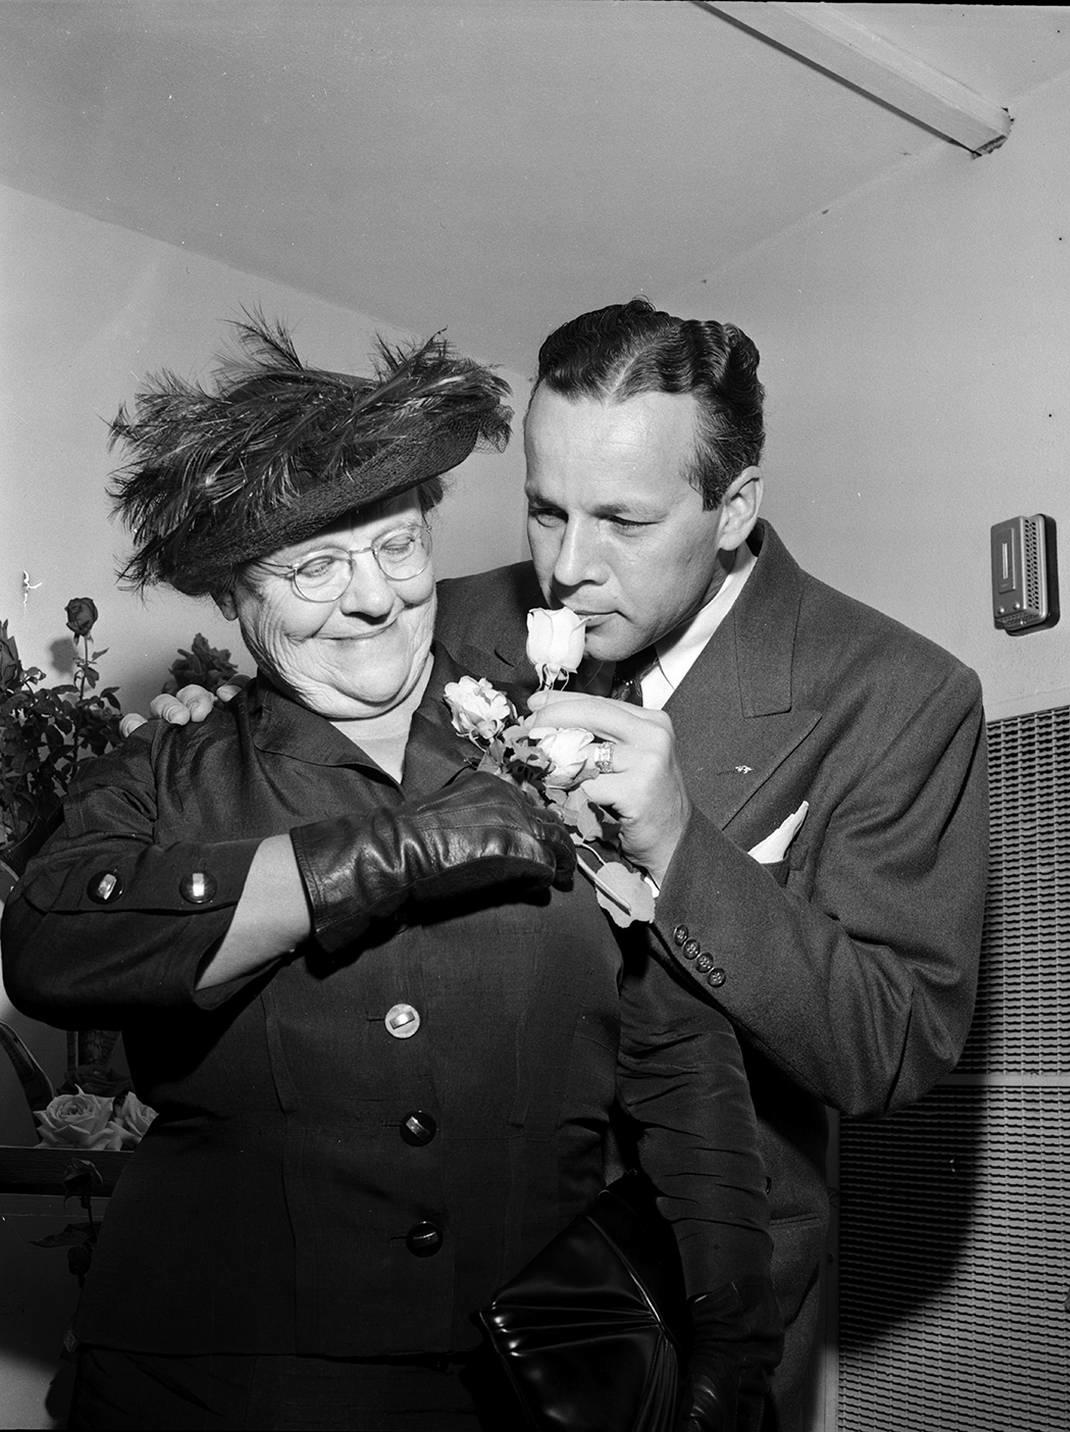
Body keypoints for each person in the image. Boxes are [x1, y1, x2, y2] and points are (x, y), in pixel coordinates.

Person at [134, 298, 990, 1431]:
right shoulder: (442, 619)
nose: (569, 568)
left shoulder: (900, 694)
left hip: (675, 1321)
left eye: (623, 522)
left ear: (733, 509)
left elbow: (891, 1044)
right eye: (544, 510)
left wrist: (682, 844)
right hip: (419, 1311)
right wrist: (221, 745)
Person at [1, 315, 783, 1431]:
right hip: (216, 1382)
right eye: (314, 566)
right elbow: (48, 945)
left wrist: (731, 1332)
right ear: (233, 596)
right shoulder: (164, 774)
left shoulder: (562, 742)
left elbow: (678, 1062)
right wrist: (379, 857)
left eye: (397, 547)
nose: (371, 598)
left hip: (517, 1389)